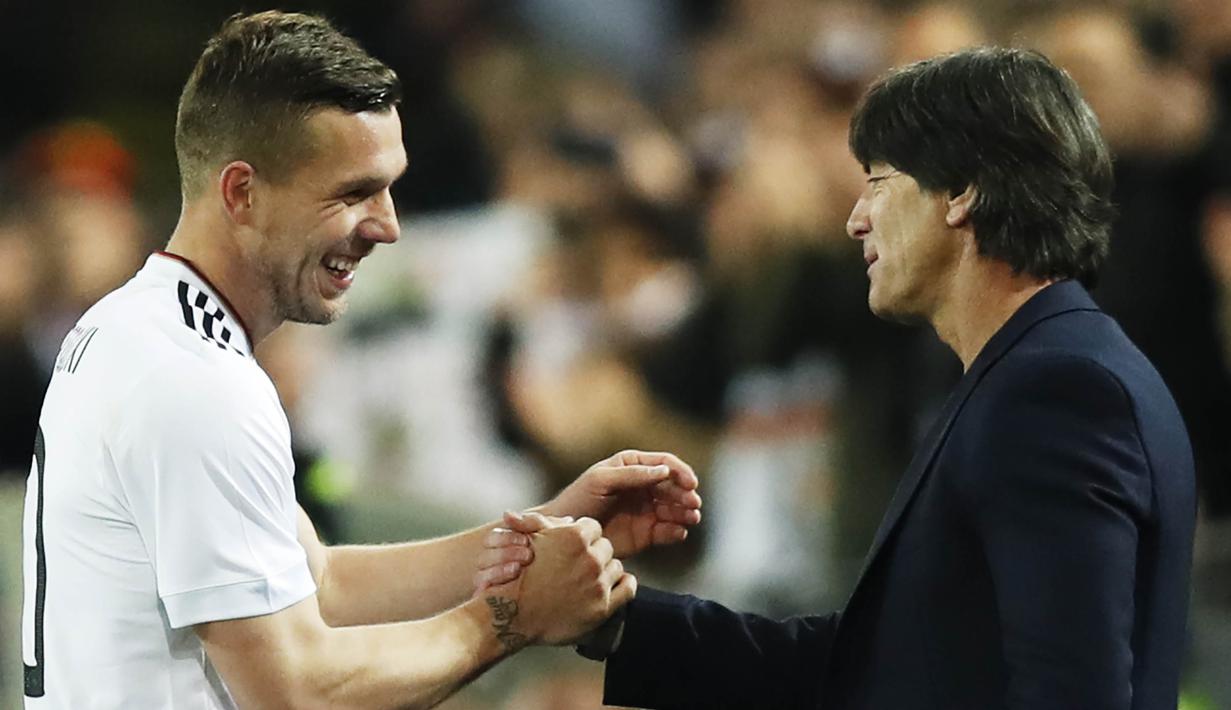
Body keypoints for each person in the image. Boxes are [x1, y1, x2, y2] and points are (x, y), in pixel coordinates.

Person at [19, 11, 701, 709]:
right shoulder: (194, 383)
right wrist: (512, 616)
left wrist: (540, 531)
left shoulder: (141, 328)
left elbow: (320, 583)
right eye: (352, 192)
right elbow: (296, 690)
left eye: (389, 186)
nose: (387, 225)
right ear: (241, 193)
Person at [494, 47, 1198, 708]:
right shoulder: (1032, 373)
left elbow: (1071, 696)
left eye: (878, 183)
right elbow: (877, 665)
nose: (856, 219)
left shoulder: (1056, 391)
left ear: (960, 194)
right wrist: (609, 613)